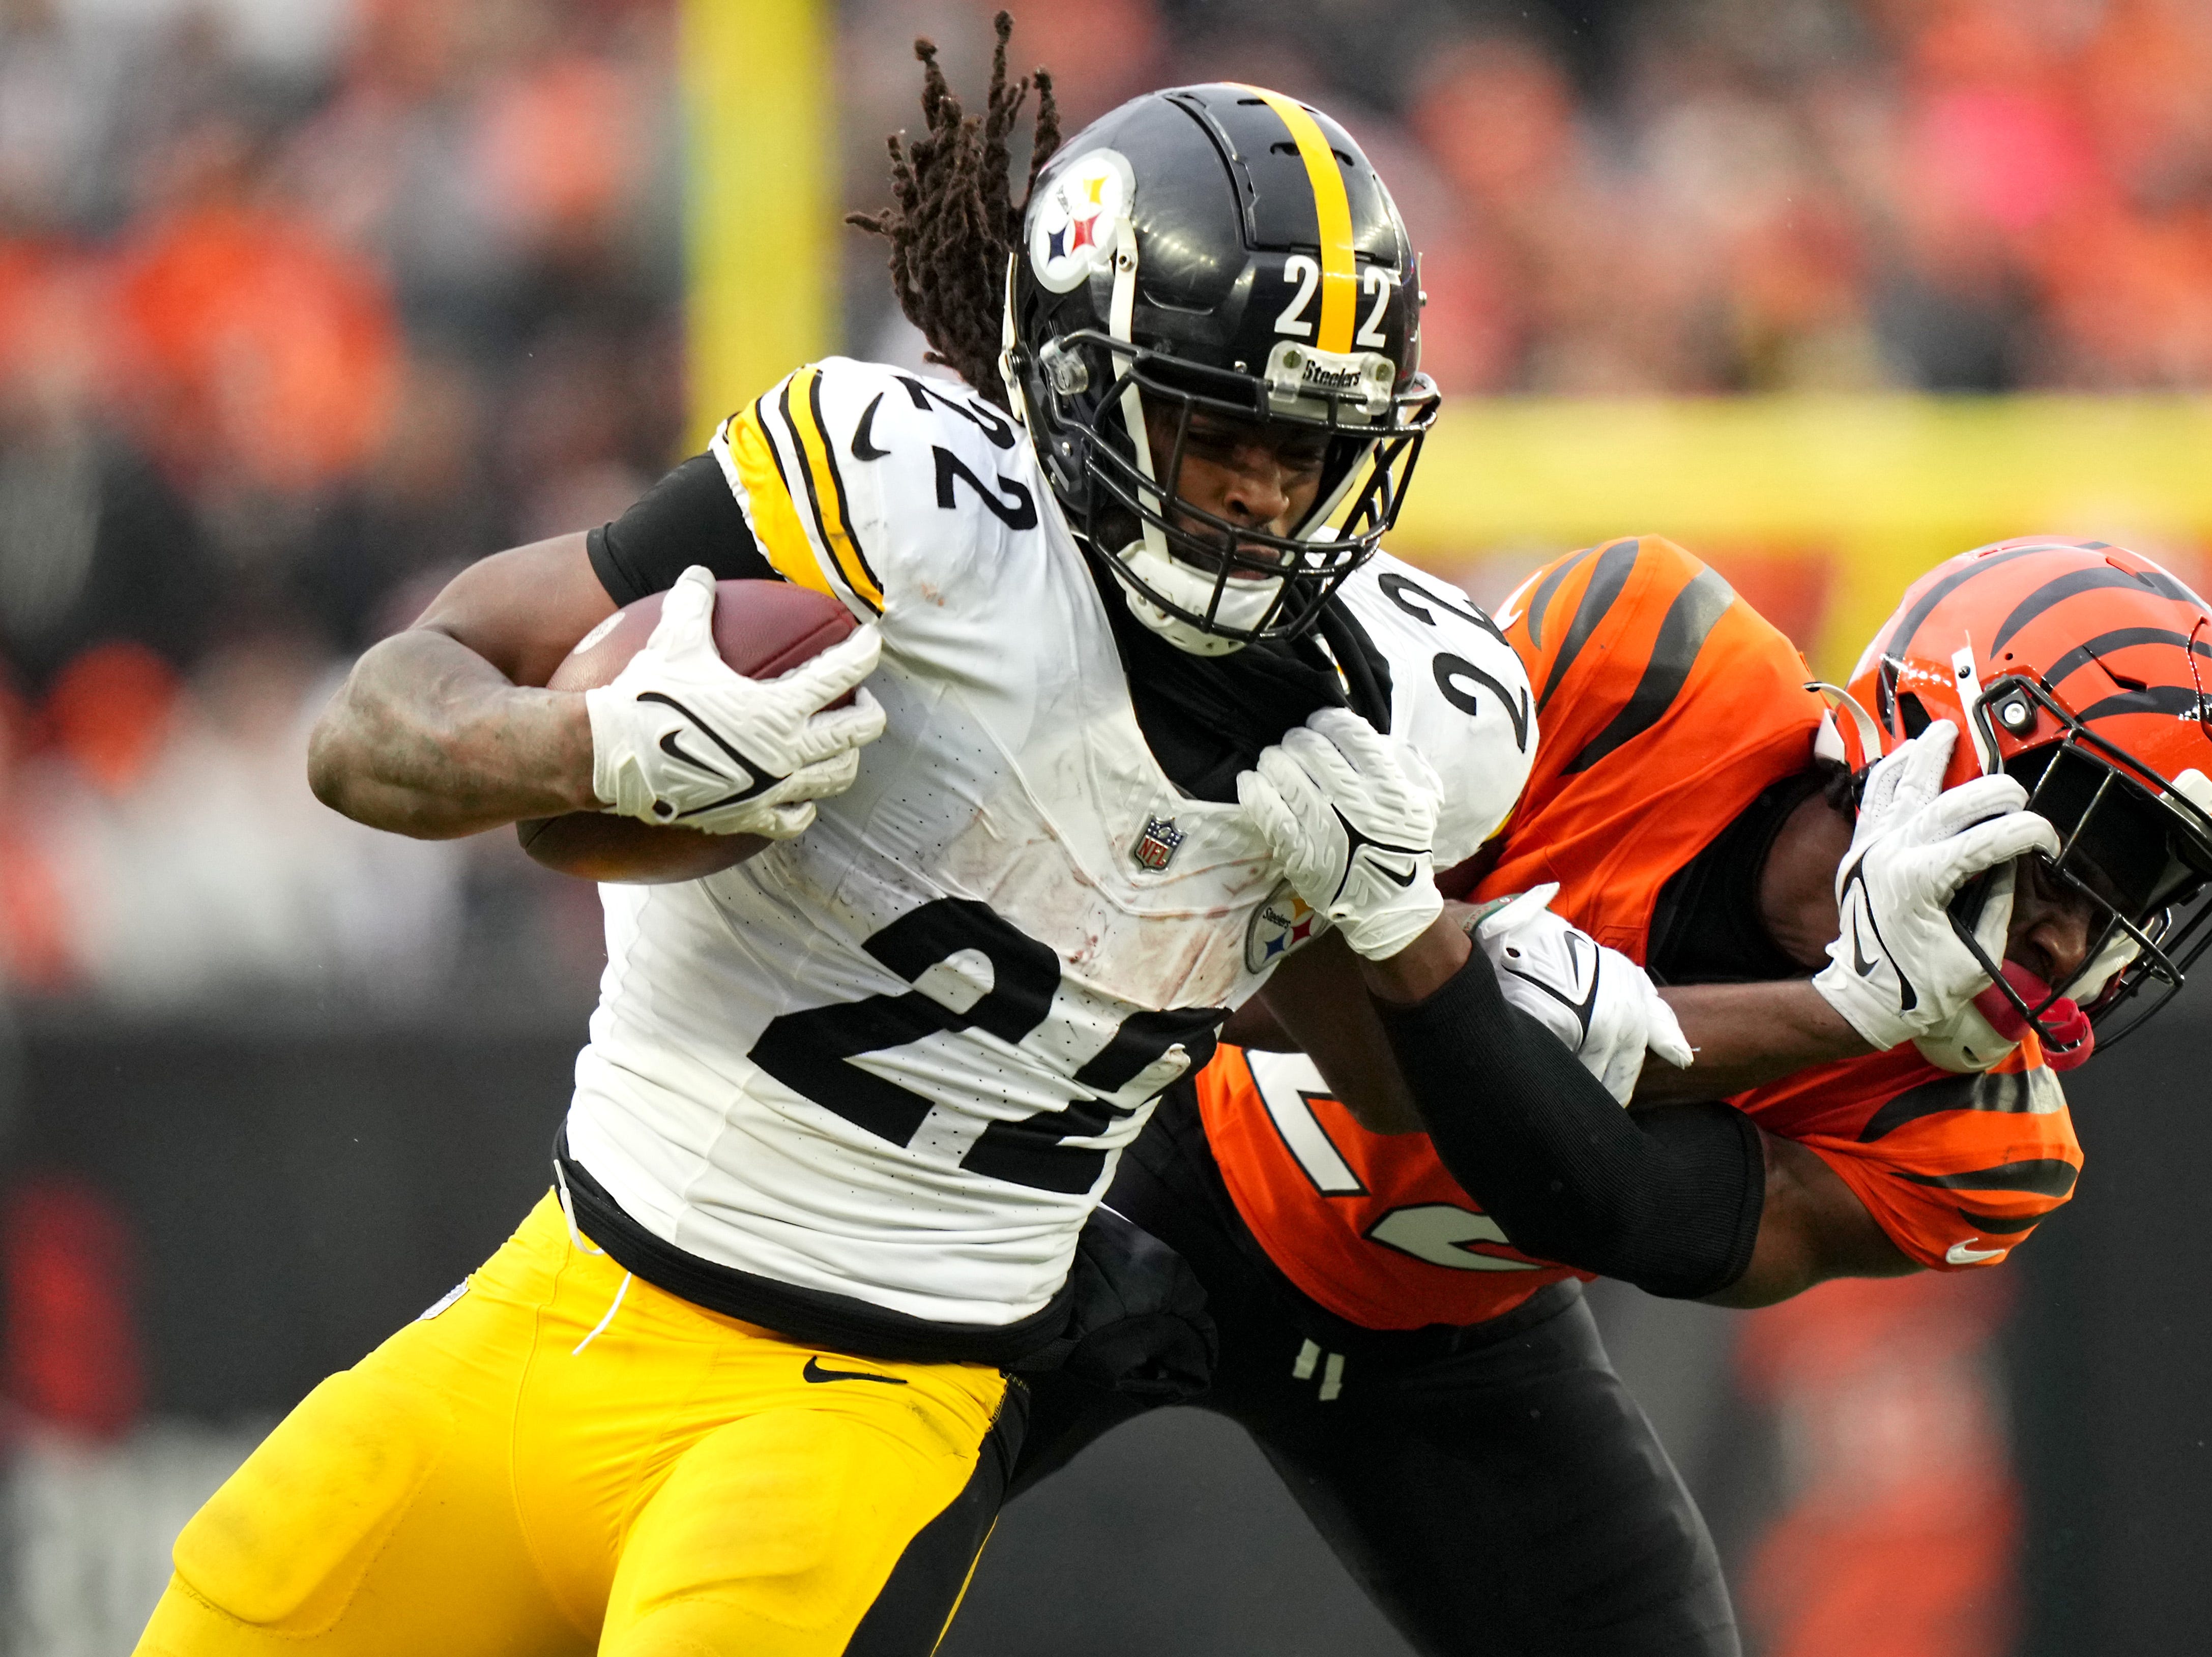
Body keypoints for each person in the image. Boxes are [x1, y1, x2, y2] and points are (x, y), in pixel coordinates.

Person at [136, 28, 1536, 1657]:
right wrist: (594, 747)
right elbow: (373, 722)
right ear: (1076, 386)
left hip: (866, 1395)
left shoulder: (1388, 705)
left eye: (1307, 451)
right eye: (1214, 432)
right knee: (230, 1602)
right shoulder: (901, 507)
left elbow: (1397, 1089)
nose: (1259, 502)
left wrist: (1395, 917)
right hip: (561, 1295)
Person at [1007, 532, 2212, 1657]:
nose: (2074, 936)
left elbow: (1597, 1203)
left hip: (1450, 1345)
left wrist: (1843, 1016)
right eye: (2082, 848)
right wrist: (1827, 1011)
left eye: (2138, 893)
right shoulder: (1653, 664)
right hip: (1152, 1170)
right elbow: (1253, 948)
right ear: (1937, 731)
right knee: (880, 1537)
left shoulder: (1989, 1143)